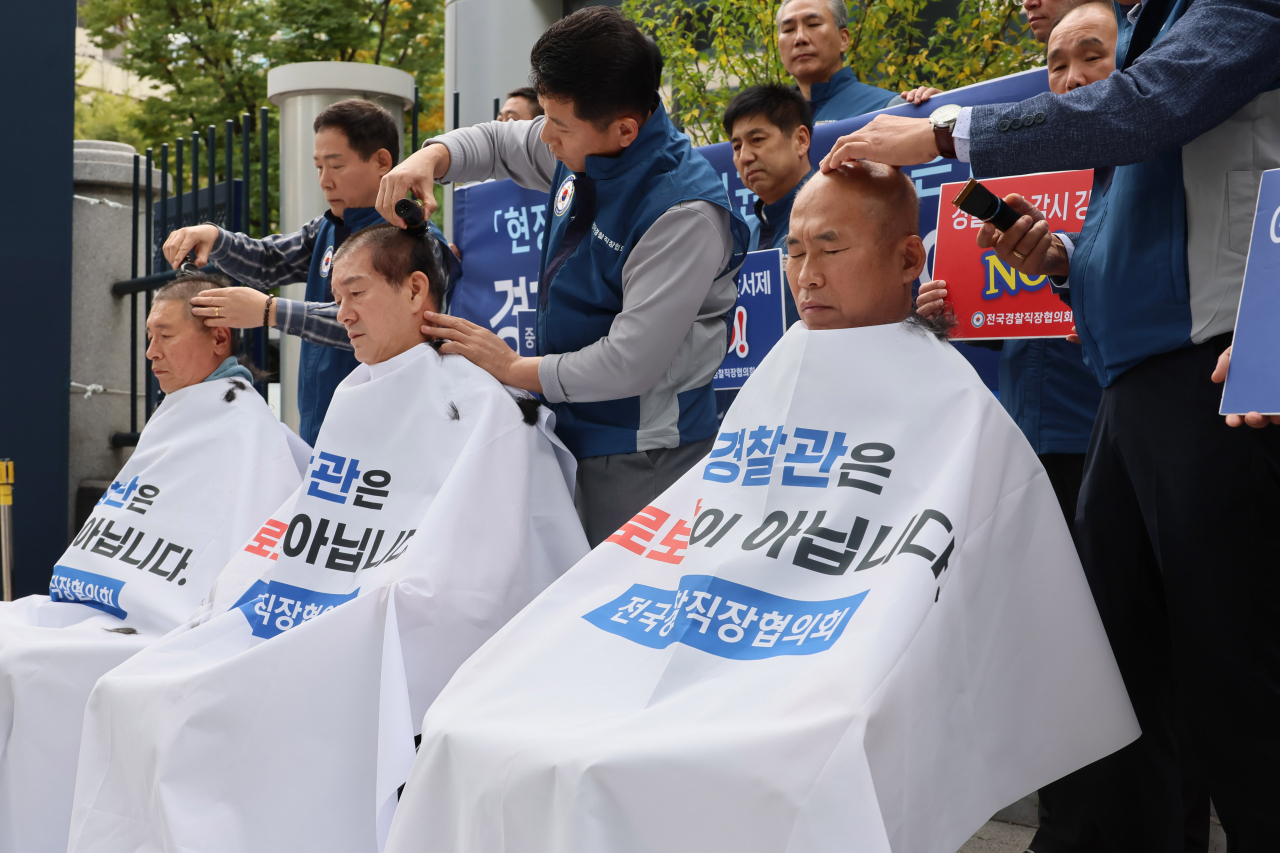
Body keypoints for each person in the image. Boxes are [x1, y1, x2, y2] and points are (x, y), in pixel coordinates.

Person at [382, 164, 1137, 853]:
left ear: (911, 260)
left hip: (817, 669)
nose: (806, 276)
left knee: (726, 757)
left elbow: (966, 571)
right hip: (695, 632)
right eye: (796, 251)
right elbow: (707, 524)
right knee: (469, 716)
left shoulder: (953, 404)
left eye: (830, 249)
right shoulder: (784, 371)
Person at [819, 0, 1280, 845]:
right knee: (1103, 686)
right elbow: (1152, 215)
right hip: (1134, 391)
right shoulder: (1156, 23)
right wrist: (1068, 262)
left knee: (1236, 690)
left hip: (1217, 380)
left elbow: (1147, 112)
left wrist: (947, 132)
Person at [66, 225, 588, 853]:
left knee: (195, 713)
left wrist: (365, 598)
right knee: (132, 692)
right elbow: (303, 525)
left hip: (368, 618)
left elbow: (467, 568)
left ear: (416, 288)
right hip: (310, 607)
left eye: (356, 293)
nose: (341, 314)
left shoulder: (479, 405)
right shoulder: (357, 391)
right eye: (335, 296)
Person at [376, 6, 750, 547]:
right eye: (545, 116)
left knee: (614, 612)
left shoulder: (681, 213)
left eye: (558, 125)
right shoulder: (582, 144)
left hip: (642, 452)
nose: (543, 136)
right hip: (566, 430)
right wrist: (428, 159)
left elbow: (629, 363)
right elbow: (499, 144)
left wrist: (511, 367)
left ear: (624, 129)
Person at [0, 275, 307, 853]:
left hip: (162, 624)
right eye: (147, 337)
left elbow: (231, 551)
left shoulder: (245, 429)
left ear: (220, 338)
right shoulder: (178, 415)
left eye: (164, 336)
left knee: (26, 667)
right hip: (109, 605)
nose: (150, 354)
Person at [161, 98, 451, 446]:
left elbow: (397, 325)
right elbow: (269, 260)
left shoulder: (417, 239)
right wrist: (215, 238)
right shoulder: (327, 228)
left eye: (336, 166)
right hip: (319, 425)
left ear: (382, 161)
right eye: (318, 168)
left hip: (391, 428)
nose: (324, 182)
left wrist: (272, 311)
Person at [725, 83, 815, 330]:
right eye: (736, 147)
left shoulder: (843, 212)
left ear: (801, 140)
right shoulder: (739, 236)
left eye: (757, 140)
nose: (745, 156)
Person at [777, 0, 902, 123]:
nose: (800, 38)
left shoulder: (890, 109)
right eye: (788, 30)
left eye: (813, 24)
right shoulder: (770, 121)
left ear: (843, 39)